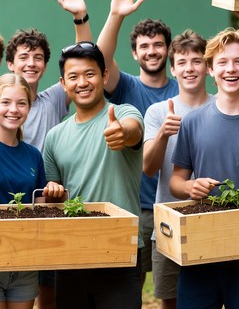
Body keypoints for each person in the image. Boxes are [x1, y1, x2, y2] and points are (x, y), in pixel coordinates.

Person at [43, 42, 144, 309]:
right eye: (74, 77)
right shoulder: (54, 137)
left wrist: (122, 132)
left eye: (90, 74)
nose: (82, 82)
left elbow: (133, 131)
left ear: (105, 76)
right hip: (71, 252)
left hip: (121, 249)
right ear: (63, 84)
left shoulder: (123, 113)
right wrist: (52, 191)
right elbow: (54, 199)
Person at [95, 0, 178, 286]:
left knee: (175, 289)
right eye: (145, 46)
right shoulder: (124, 85)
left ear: (168, 50)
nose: (152, 51)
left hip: (174, 202)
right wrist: (115, 15)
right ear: (134, 53)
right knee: (128, 286)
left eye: (158, 45)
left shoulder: (183, 89)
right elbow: (99, 58)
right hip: (135, 204)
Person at [0, 74, 64, 309]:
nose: (13, 109)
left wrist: (52, 192)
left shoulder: (33, 155)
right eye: (6, 102)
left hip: (23, 259)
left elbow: (39, 209)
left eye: (21, 103)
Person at [169, 28, 239, 309]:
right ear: (210, 69)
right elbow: (176, 181)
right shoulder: (193, 122)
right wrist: (189, 187)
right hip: (200, 249)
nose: (231, 69)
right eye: (222, 62)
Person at [143, 30, 215, 309]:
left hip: (212, 221)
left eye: (196, 61)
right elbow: (149, 169)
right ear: (172, 69)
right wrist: (163, 134)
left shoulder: (222, 104)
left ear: (208, 67)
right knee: (169, 301)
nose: (190, 69)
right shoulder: (159, 111)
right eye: (182, 62)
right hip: (168, 223)